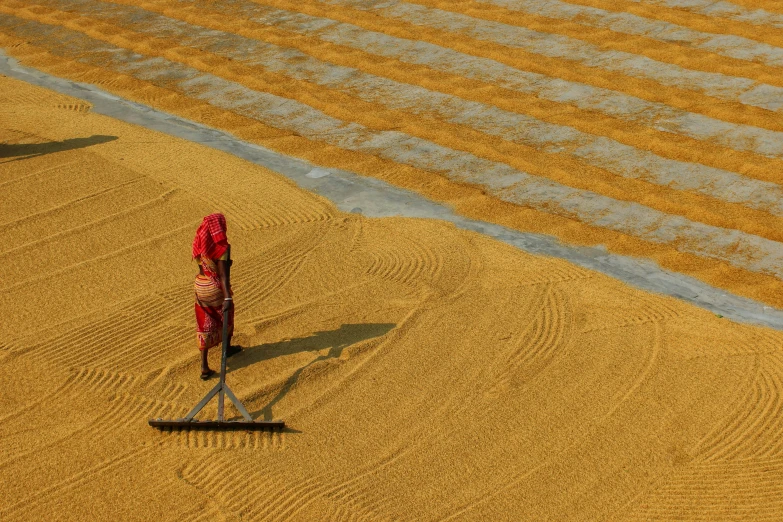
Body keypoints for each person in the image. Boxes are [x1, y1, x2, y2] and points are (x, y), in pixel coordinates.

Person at [192, 213, 240, 380]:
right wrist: (228, 298)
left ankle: (204, 366)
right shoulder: (222, 248)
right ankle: (227, 350)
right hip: (215, 288)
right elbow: (223, 276)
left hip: (200, 285)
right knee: (226, 317)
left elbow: (202, 268)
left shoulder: (199, 242)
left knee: (204, 322)